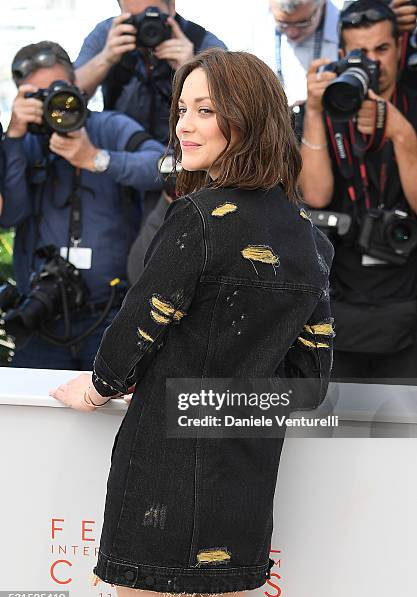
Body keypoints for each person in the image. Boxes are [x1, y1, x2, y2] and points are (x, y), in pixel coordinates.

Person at [50, 48, 334, 597]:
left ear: (250, 117)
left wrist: (98, 386)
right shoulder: (307, 236)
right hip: (244, 479)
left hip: (163, 474)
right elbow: (309, 381)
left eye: (206, 110)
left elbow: (136, 328)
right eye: (183, 108)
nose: (184, 124)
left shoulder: (199, 219)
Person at [1, 41, 164, 370]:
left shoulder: (109, 127)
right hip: (41, 315)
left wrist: (97, 159)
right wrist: (15, 135)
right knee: (37, 415)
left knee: (111, 417)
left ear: (77, 86)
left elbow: (165, 167)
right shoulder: (24, 141)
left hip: (111, 314)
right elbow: (10, 213)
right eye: (37, 96)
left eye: (59, 90)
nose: (52, 104)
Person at [299, 0, 417, 379]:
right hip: (342, 304)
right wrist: (316, 113)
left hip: (406, 302)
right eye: (359, 53)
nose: (372, 63)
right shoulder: (325, 108)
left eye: (382, 49)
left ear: (400, 48)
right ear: (339, 57)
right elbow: (315, 196)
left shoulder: (412, 104)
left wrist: (400, 133)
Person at [74, 0, 226, 144]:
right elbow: (69, 95)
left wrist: (190, 68)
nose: (145, 26)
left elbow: (231, 106)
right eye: (135, 19)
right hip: (124, 149)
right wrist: (105, 58)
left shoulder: (201, 42)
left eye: (152, 15)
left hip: (186, 148)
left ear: (172, 7)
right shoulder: (107, 34)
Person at [253, 0, 339, 106]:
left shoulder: (349, 28)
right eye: (282, 23)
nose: (292, 33)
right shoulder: (247, 20)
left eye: (303, 23)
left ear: (322, 4)